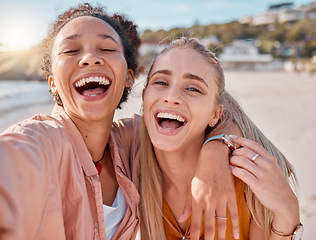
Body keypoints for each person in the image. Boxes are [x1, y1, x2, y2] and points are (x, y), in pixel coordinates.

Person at [0, 4, 242, 240]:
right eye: (71, 51)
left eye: (106, 49)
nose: (90, 58)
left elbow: (219, 112)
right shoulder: (39, 142)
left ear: (128, 77)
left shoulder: (133, 139)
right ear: (52, 82)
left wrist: (216, 148)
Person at [139, 38, 302, 240]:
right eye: (161, 82)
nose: (172, 97)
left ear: (216, 114)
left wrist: (288, 215)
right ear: (144, 96)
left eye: (193, 88)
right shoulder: (129, 164)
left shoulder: (249, 181)